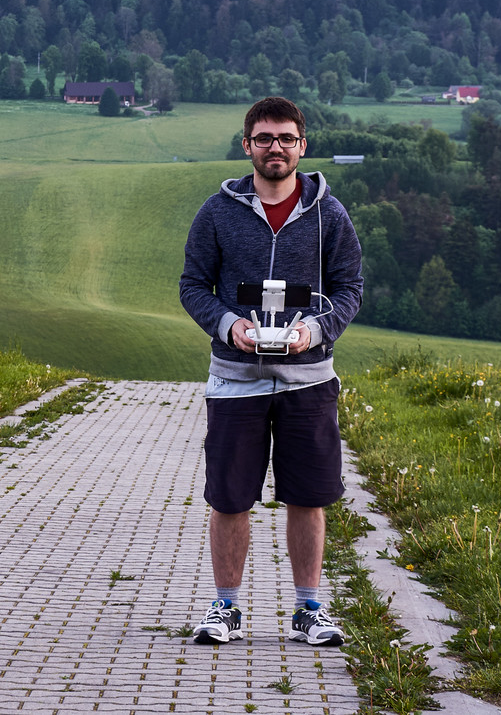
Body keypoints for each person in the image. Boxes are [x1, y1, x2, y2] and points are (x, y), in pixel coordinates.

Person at [178, 96, 363, 646]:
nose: (275, 147)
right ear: (247, 146)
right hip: (236, 378)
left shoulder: (329, 215)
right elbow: (193, 285)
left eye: (285, 138)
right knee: (229, 497)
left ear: (302, 146)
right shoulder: (217, 212)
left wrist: (317, 331)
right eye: (264, 138)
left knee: (307, 496)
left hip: (309, 379)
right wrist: (228, 324)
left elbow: (350, 288)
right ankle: (225, 608)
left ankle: (309, 610)